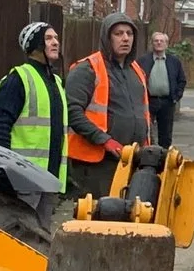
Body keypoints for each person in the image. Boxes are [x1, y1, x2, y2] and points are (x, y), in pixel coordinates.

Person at [65, 15, 151, 198]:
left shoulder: (137, 71)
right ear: (107, 37)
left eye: (129, 33)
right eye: (118, 33)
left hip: (131, 160)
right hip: (95, 163)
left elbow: (145, 115)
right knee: (99, 215)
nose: (125, 38)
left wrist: (148, 147)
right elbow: (72, 112)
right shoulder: (87, 69)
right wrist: (104, 140)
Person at [0, 21, 66, 189]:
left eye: (56, 38)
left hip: (51, 178)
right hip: (22, 177)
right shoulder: (18, 79)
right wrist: (3, 167)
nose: (56, 42)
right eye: (48, 38)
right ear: (35, 44)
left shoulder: (56, 82)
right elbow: (1, 126)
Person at [145, 29, 187, 148]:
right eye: (156, 41)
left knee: (166, 134)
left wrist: (176, 96)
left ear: (166, 44)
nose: (159, 43)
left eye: (161, 41)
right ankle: (148, 156)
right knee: (146, 131)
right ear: (152, 43)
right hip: (149, 102)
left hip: (167, 102)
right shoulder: (143, 61)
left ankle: (164, 159)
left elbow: (182, 80)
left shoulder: (174, 61)